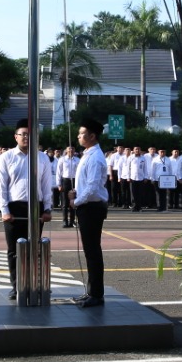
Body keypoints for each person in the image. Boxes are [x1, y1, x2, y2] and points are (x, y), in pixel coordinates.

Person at [0, 121, 53, 301]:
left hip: (36, 207)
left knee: (34, 249)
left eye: (30, 134)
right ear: (16, 137)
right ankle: (16, 287)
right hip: (14, 208)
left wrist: (48, 208)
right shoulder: (7, 157)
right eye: (23, 134)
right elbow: (1, 186)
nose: (27, 137)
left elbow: (46, 185)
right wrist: (4, 210)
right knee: (14, 250)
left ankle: (33, 285)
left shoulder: (42, 157)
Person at [69, 121, 109, 308]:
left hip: (92, 207)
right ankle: (92, 292)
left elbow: (93, 188)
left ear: (92, 136)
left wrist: (75, 201)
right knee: (90, 251)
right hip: (87, 206)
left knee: (93, 252)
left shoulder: (95, 157)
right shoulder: (88, 154)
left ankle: (97, 294)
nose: (78, 136)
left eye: (82, 133)